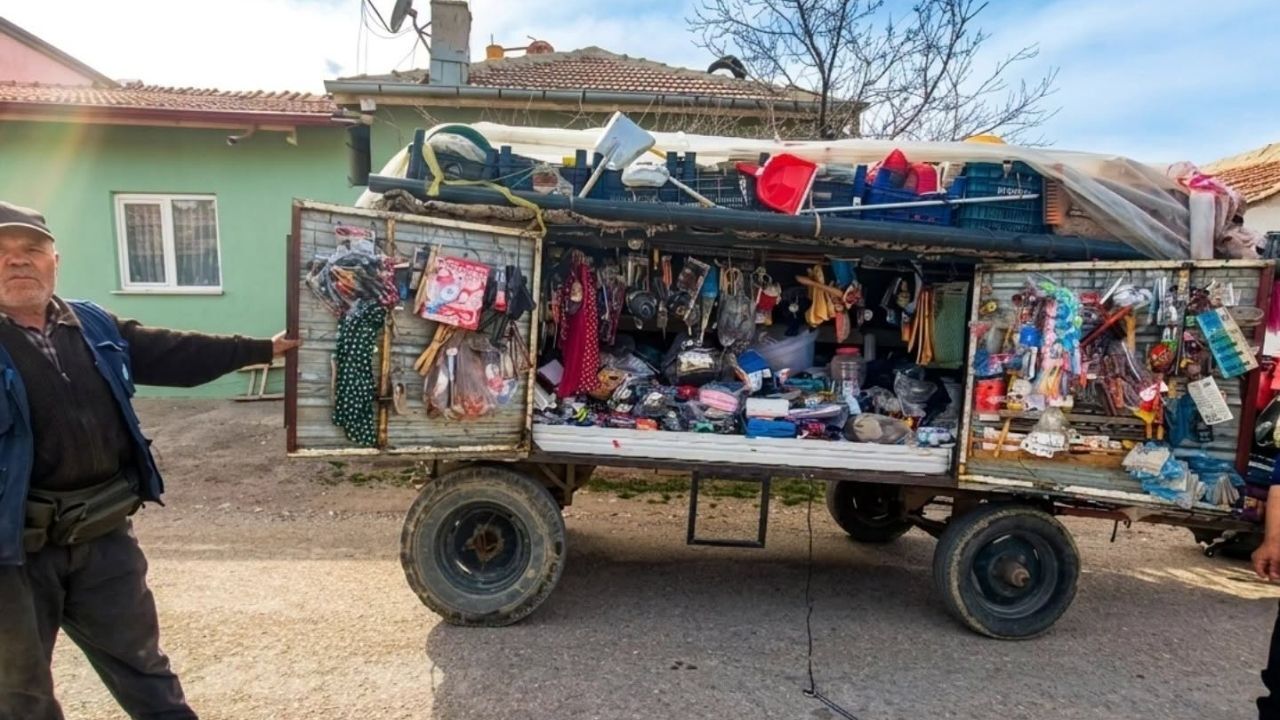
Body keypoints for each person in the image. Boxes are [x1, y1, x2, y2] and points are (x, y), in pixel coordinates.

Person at [0, 201, 300, 720]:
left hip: (103, 539)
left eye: (31, 250)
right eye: (1, 253)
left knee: (147, 676)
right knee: (21, 699)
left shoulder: (91, 323)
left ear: (55, 260)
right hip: (14, 557)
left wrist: (260, 349)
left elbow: (172, 352)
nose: (16, 262)